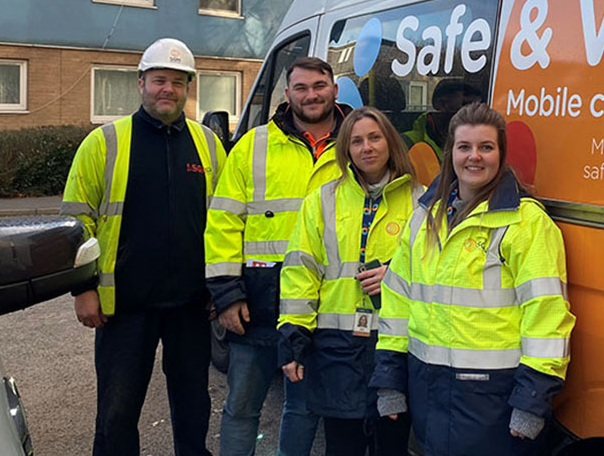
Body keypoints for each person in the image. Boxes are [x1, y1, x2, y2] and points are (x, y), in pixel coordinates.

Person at [370, 102, 576, 456]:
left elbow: (548, 319)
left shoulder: (525, 222)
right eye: (464, 147)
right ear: (451, 152)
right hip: (427, 390)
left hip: (494, 401)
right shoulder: (425, 218)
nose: (474, 157)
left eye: (486, 147)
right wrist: (389, 381)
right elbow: (396, 303)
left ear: (501, 154)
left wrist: (530, 402)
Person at [61, 37, 226, 456]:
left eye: (177, 81)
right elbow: (75, 224)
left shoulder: (208, 144)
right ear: (140, 83)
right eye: (158, 80)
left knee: (194, 407)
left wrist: (220, 289)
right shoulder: (104, 143)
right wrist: (82, 290)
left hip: (191, 305)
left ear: (188, 87)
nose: (167, 89)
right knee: (117, 414)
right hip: (124, 307)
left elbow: (224, 224)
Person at [205, 57, 350, 456]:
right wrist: (226, 294)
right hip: (257, 303)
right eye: (300, 87)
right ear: (287, 94)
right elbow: (222, 223)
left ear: (334, 89)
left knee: (303, 409)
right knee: (241, 407)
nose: (311, 95)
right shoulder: (255, 144)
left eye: (319, 85)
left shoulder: (357, 143)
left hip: (322, 304)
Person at [278, 107, 422, 456]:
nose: (366, 147)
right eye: (356, 141)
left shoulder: (423, 200)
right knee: (342, 446)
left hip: (395, 346)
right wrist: (294, 337)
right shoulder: (322, 199)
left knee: (392, 446)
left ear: (390, 142)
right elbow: (301, 270)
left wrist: (396, 275)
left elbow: (440, 271)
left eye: (374, 137)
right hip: (336, 347)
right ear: (345, 149)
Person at [402, 79, 483, 185]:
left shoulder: (479, 145)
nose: (473, 113)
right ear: (441, 104)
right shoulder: (407, 143)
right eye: (465, 105)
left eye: (479, 107)